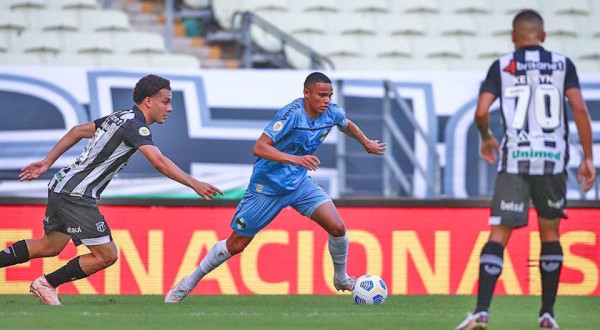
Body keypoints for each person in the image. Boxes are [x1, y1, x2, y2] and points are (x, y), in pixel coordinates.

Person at [1, 74, 223, 305]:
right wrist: (194, 183)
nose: (170, 108)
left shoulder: (120, 117)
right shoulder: (136, 127)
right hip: (77, 194)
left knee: (49, 246)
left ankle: (44, 283)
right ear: (149, 101)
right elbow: (159, 161)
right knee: (106, 255)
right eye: (165, 101)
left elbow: (77, 130)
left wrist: (47, 162)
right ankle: (46, 284)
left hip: (62, 186)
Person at [165, 72, 386, 302]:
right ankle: (187, 284)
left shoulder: (332, 112)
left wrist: (366, 142)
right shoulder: (291, 114)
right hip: (267, 187)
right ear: (307, 94)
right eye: (322, 95)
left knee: (337, 227)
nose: (327, 100)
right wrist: (296, 159)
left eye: (330, 95)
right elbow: (260, 147)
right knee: (236, 244)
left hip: (299, 184)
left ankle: (341, 278)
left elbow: (345, 123)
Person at [455, 10, 596, 330]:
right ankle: (547, 314)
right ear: (543, 37)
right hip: (552, 161)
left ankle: (481, 312)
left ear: (513, 37)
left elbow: (480, 112)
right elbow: (579, 107)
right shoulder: (563, 65)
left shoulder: (501, 66)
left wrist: (487, 137)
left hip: (514, 161)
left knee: (499, 234)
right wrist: (588, 157)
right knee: (549, 233)